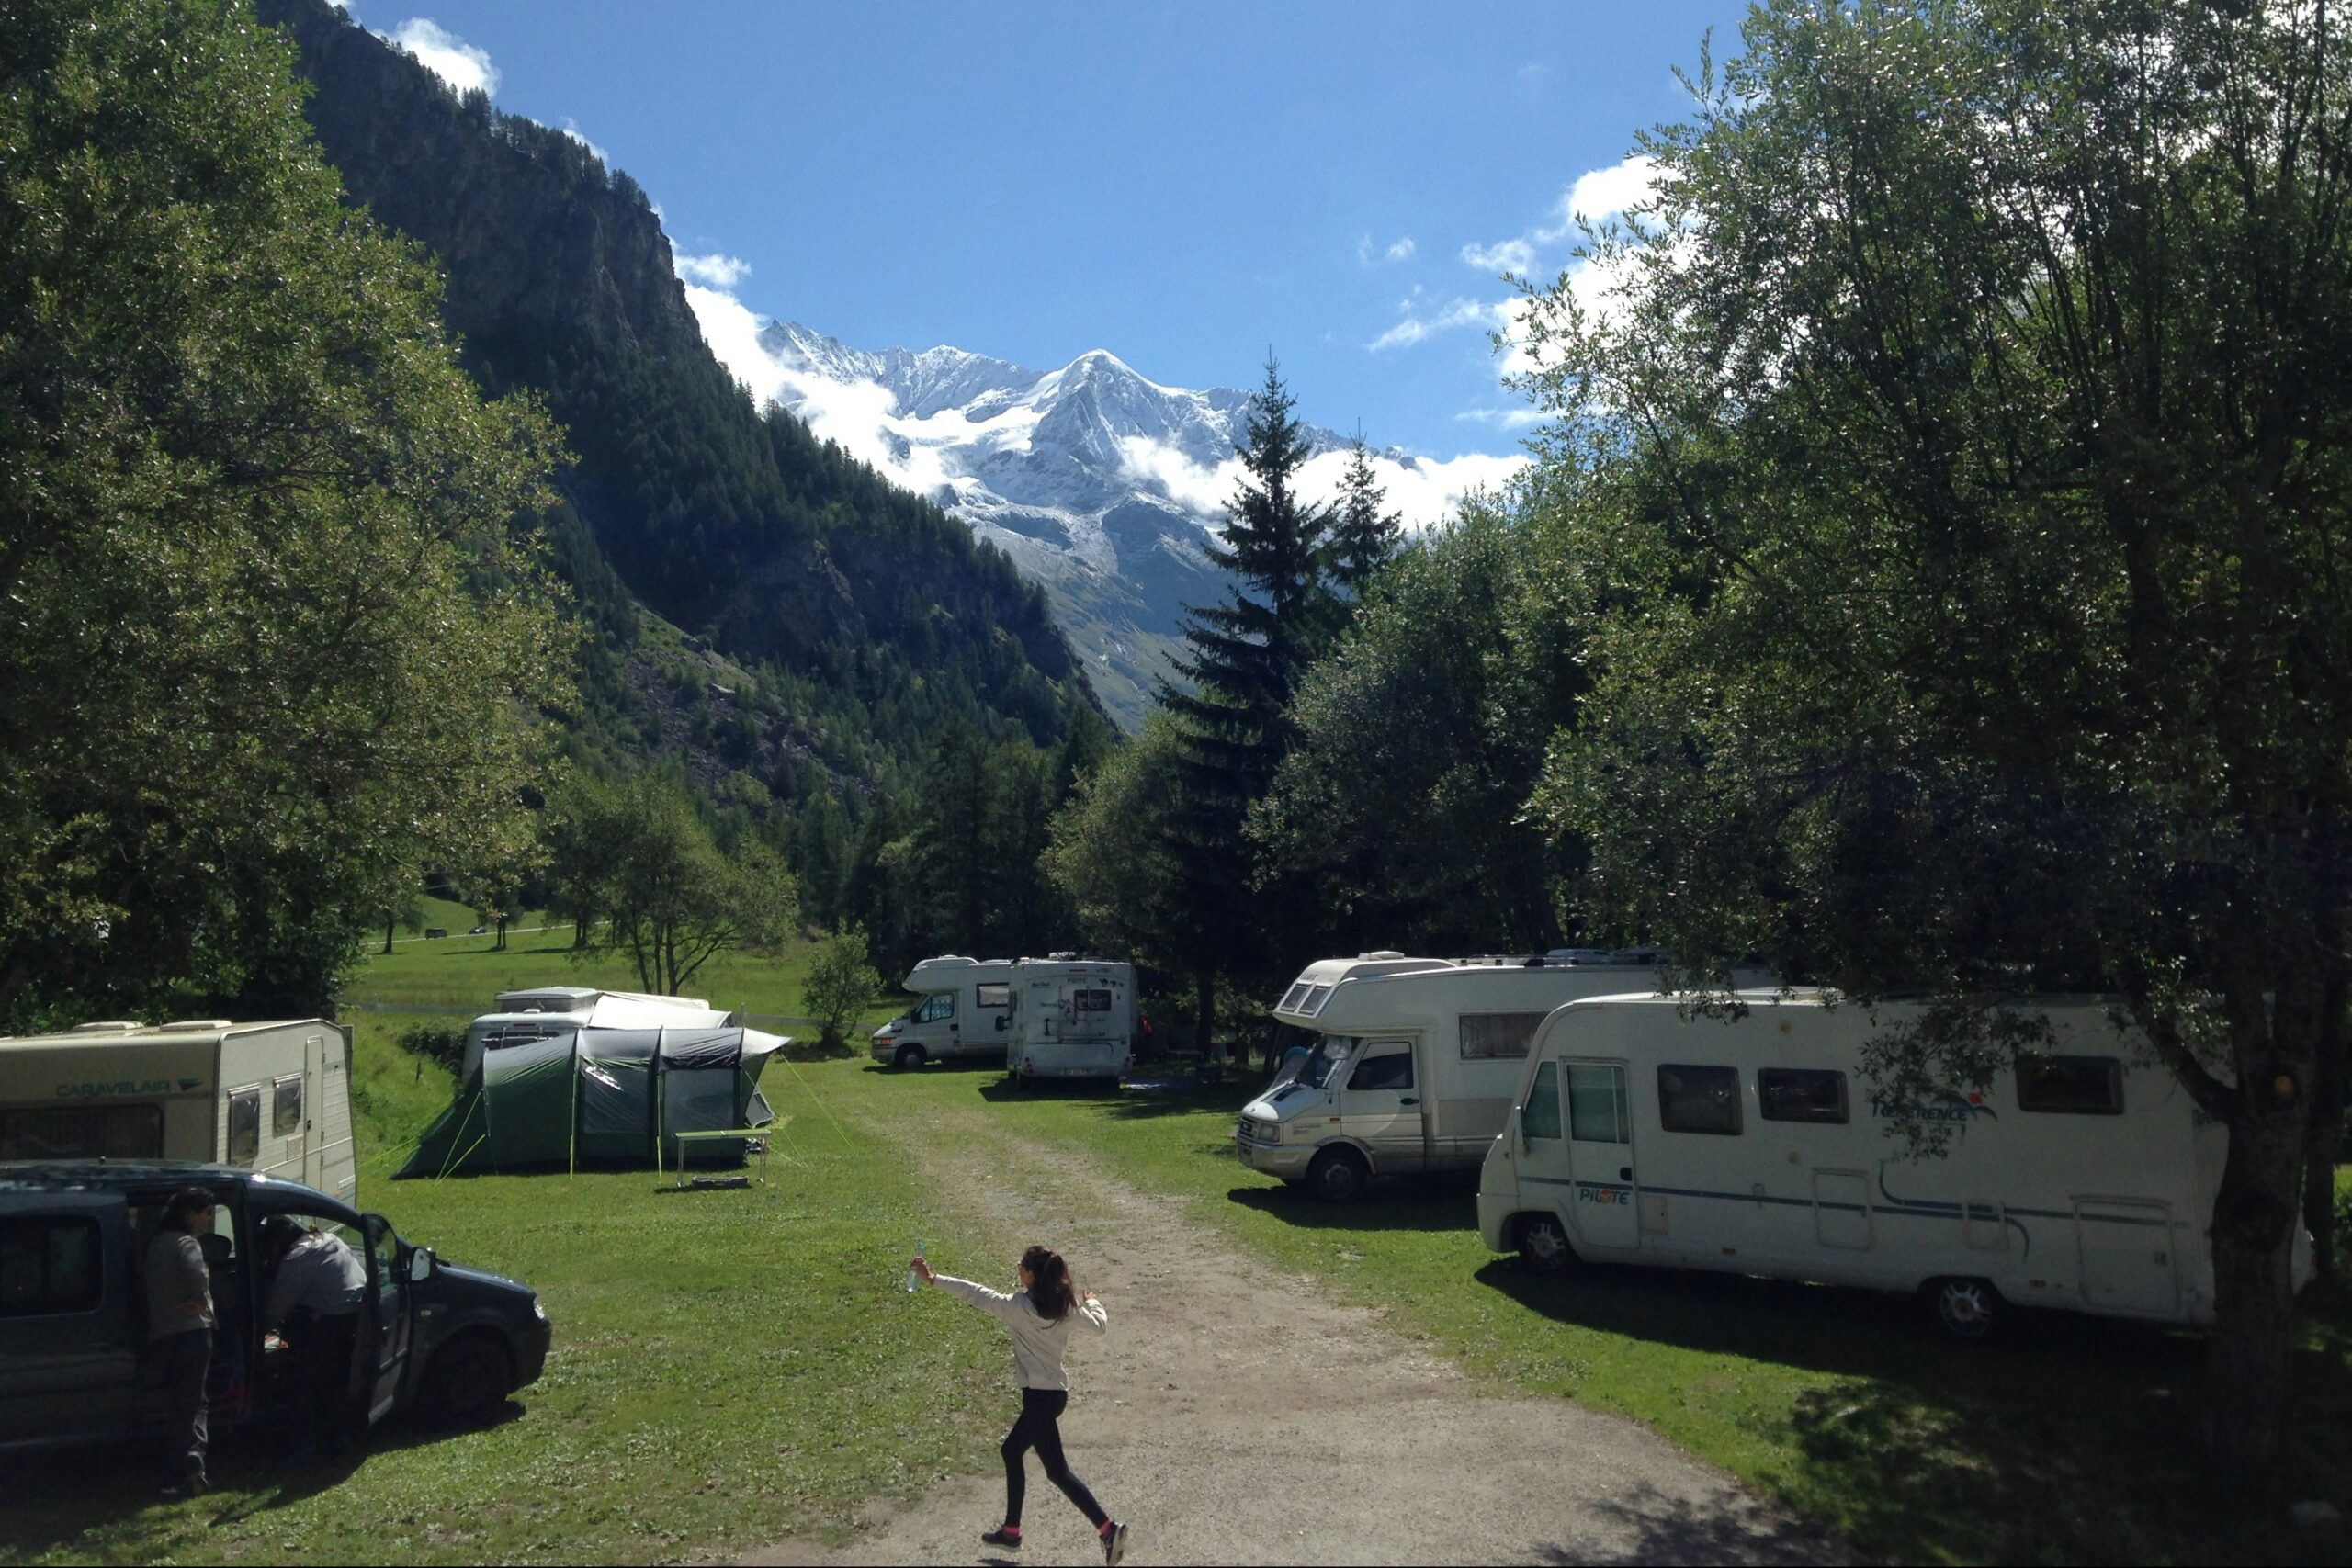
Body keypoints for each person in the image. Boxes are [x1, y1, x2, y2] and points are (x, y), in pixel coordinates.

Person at [911, 1245, 1128, 1565]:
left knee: (1057, 1472)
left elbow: (976, 1293)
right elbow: (1099, 1325)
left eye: (1021, 1266)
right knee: (1012, 1451)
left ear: (1030, 1275)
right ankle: (1011, 1531)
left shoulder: (1018, 1307)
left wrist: (932, 1279)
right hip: (1053, 1396)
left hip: (1039, 1400)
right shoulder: (1063, 1306)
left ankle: (1107, 1529)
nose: (1017, 1268)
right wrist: (1092, 1301)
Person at [259, 1215, 368, 1459]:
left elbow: (277, 1309)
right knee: (334, 1380)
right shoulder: (328, 1239)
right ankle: (338, 1435)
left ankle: (307, 1442)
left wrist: (256, 1337)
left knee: (306, 1380)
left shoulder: (298, 1258)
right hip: (354, 1314)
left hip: (329, 1321)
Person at [143, 1186, 218, 1496]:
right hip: (192, 1332)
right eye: (206, 1213)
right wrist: (201, 1302)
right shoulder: (187, 1244)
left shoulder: (155, 1244)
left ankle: (175, 1468)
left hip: (163, 1334)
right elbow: (196, 1277)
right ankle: (193, 1461)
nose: (208, 1220)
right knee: (195, 1401)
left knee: (178, 1402)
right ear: (190, 1214)